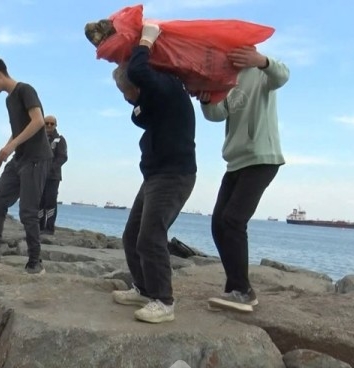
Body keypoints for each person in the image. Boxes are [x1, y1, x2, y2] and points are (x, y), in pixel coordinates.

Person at [109, 23, 197, 324]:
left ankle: (164, 301)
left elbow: (140, 71)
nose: (125, 98)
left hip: (175, 175)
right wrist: (136, 98)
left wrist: (146, 39)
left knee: (150, 235)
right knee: (132, 235)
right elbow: (139, 115)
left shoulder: (167, 88)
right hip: (154, 175)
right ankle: (145, 289)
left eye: (126, 92)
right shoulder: (150, 102)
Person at [197, 46, 289, 313]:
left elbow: (282, 76)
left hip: (262, 157)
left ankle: (242, 291)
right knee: (218, 224)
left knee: (234, 220)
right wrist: (205, 100)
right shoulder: (228, 78)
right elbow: (217, 114)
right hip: (235, 161)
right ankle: (235, 287)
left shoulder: (262, 71)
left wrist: (261, 61)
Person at [0, 56, 53, 275]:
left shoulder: (25, 90)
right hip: (19, 159)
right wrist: (2, 154)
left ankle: (35, 261)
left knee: (28, 212)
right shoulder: (9, 99)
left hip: (36, 158)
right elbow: (18, 130)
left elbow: (38, 121)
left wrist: (10, 147)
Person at [38, 115, 68, 235]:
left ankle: (49, 228)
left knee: (50, 201)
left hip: (53, 177)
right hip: (39, 176)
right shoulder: (39, 138)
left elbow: (63, 157)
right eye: (47, 123)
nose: (49, 125)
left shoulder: (60, 140)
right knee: (39, 201)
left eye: (52, 123)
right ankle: (39, 226)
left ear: (55, 125)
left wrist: (50, 169)